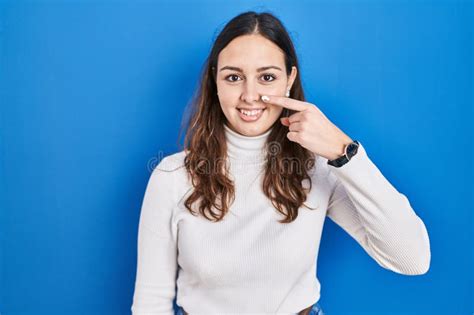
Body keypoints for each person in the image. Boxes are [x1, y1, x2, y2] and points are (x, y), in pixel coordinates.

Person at [130, 10, 431, 315]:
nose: (250, 95)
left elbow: (413, 258)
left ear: (290, 80)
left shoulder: (319, 168)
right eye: (234, 77)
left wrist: (346, 152)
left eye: (267, 77)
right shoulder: (171, 176)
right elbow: (150, 302)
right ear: (215, 81)